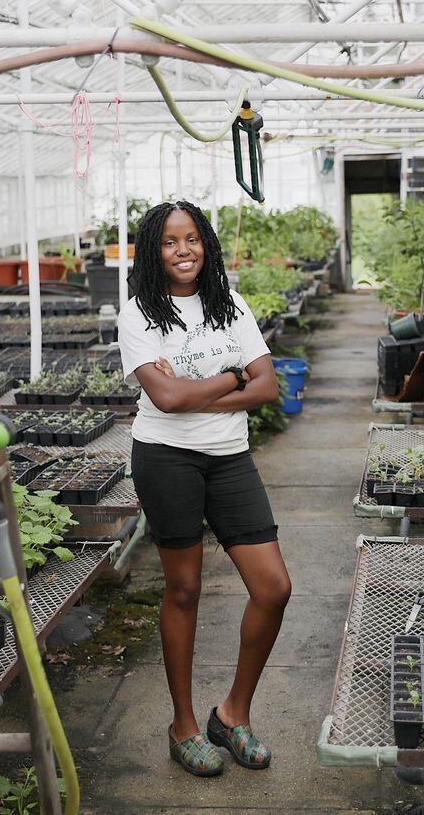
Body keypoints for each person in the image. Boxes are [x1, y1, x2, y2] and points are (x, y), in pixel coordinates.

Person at [118, 200, 291, 778]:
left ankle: (231, 714)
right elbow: (165, 401)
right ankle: (184, 726)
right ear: (154, 251)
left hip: (228, 458)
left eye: (192, 238)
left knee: (274, 588)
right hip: (166, 458)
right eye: (170, 241)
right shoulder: (140, 313)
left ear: (206, 244)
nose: (183, 250)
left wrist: (202, 386)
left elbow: (270, 387)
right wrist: (232, 375)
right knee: (184, 591)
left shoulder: (229, 304)